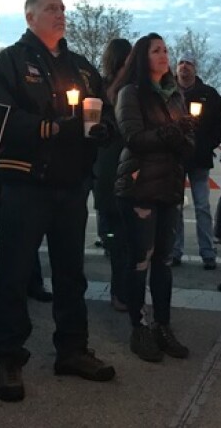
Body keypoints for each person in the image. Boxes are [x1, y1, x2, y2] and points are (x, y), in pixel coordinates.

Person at [0, 0, 116, 402]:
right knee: (14, 272)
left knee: (70, 272)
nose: (60, 14)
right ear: (30, 16)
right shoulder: (11, 62)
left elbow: (104, 110)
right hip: (26, 184)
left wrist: (105, 129)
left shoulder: (81, 67)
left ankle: (72, 350)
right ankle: (8, 357)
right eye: (51, 8)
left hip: (71, 186)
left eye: (62, 9)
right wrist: (53, 128)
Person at [111, 34, 194, 362]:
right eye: (156, 50)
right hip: (139, 187)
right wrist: (173, 133)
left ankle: (163, 325)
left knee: (163, 261)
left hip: (169, 188)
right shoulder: (130, 93)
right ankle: (139, 327)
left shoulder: (176, 95)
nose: (164, 55)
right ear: (142, 57)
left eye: (165, 50)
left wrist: (185, 139)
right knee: (140, 260)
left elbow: (189, 142)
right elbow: (133, 137)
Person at [171, 55, 221, 270]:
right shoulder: (169, 93)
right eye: (181, 63)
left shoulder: (208, 95)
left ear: (195, 69)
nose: (184, 67)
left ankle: (208, 252)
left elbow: (220, 123)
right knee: (175, 207)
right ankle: (175, 250)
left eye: (189, 64)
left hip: (200, 158)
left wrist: (208, 144)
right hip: (175, 158)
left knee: (202, 206)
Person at [92, 37, 132, 311]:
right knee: (117, 232)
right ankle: (121, 290)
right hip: (113, 161)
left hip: (117, 163)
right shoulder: (110, 87)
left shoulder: (131, 88)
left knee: (122, 233)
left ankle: (123, 289)